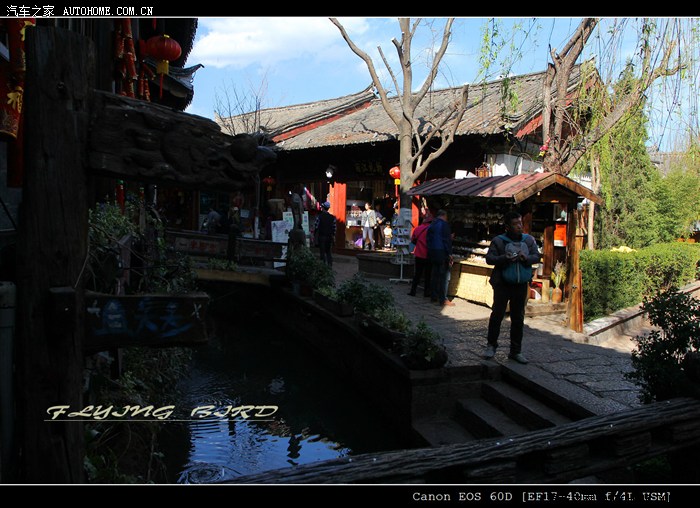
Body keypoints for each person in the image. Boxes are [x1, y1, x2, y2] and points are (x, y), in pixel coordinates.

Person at [483, 211, 541, 364]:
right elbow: (489, 259)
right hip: (502, 284)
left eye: (520, 223)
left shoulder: (528, 240)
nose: (519, 226)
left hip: (520, 284)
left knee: (518, 317)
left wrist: (526, 258)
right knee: (497, 315)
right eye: (515, 224)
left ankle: (516, 351)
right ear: (507, 227)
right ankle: (491, 345)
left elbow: (537, 256)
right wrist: (504, 258)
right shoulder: (499, 241)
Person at [426, 209, 454, 307]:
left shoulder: (432, 224)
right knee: (444, 276)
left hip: (433, 252)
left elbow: (428, 239)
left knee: (434, 275)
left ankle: (433, 296)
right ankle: (443, 299)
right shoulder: (444, 225)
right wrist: (449, 253)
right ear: (444, 215)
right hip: (441, 251)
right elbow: (446, 240)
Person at [407, 214, 432, 297]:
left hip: (419, 254)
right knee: (428, 275)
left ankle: (413, 291)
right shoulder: (432, 229)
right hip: (428, 255)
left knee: (417, 274)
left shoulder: (418, 229)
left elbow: (413, 240)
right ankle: (426, 292)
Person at [314, 201, 336, 267]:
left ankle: (323, 266)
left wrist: (315, 235)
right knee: (328, 252)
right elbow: (334, 228)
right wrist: (333, 236)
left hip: (321, 236)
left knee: (322, 252)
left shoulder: (319, 217)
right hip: (329, 237)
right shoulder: (333, 217)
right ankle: (329, 266)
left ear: (323, 208)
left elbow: (316, 226)